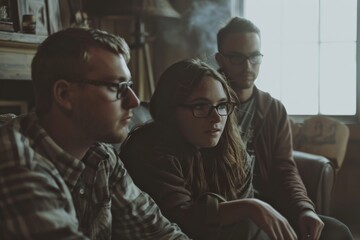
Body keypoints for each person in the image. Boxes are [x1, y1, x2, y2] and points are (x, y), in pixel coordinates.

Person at [0, 27, 190, 240]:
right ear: (64, 94)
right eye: (117, 87)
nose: (134, 101)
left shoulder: (100, 155)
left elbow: (158, 232)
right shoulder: (17, 165)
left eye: (129, 85)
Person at [120, 58, 302, 240]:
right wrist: (250, 207)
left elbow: (240, 205)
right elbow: (180, 219)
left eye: (222, 105)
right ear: (170, 109)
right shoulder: (148, 148)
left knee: (328, 229)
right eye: (200, 106)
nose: (216, 118)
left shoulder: (230, 147)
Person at [215, 16, 353, 240]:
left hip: (270, 205)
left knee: (336, 232)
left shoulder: (273, 109)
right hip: (226, 210)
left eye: (254, 57)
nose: (248, 67)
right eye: (237, 58)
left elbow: (284, 168)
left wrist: (303, 208)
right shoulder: (208, 103)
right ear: (220, 59)